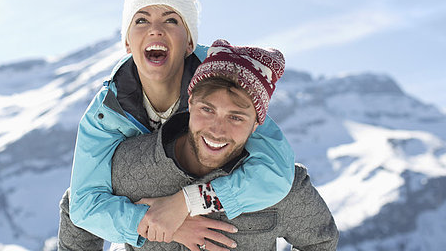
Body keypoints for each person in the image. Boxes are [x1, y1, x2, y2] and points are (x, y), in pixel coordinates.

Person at [58, 0, 295, 250]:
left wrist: (189, 202)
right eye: (141, 20)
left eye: (171, 20)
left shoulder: (228, 83)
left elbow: (277, 171)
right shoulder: (106, 113)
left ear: (190, 42)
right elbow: (84, 203)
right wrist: (163, 224)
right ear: (126, 42)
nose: (155, 30)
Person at [62, 39, 339, 251]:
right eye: (208, 109)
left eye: (236, 117)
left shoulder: (286, 188)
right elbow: (77, 208)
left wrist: (185, 204)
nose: (217, 130)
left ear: (257, 124)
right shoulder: (129, 167)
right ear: (190, 103)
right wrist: (147, 223)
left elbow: (321, 242)